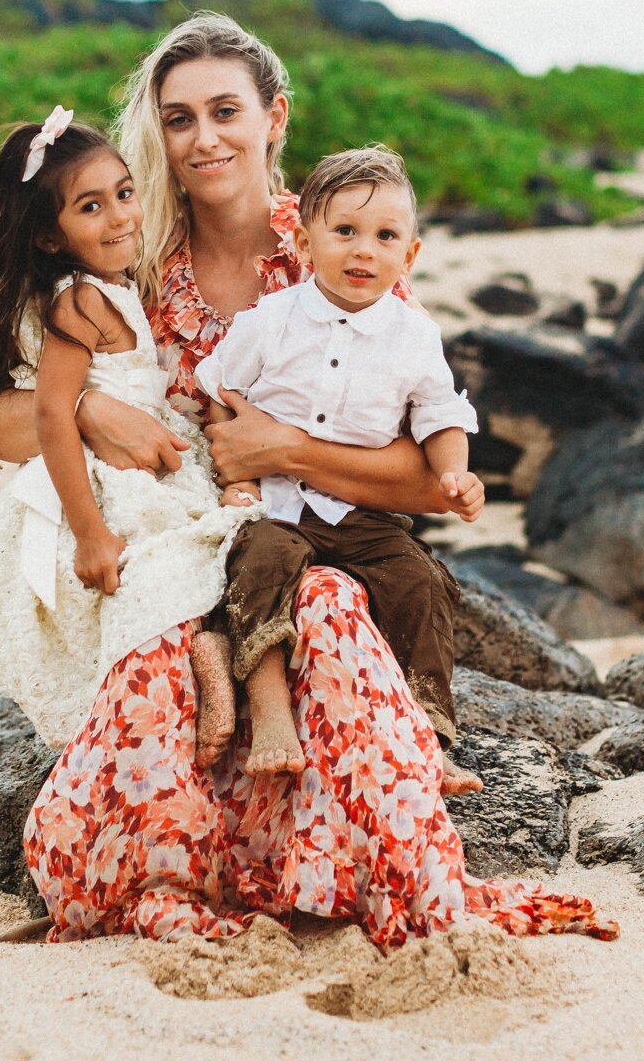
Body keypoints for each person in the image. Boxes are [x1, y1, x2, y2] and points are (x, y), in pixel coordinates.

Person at [0, 12, 616, 949]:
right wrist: (97, 413)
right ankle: (183, 879)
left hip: (317, 538)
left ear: (276, 118)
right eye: (178, 118)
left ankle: (364, 876)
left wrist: (282, 452)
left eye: (226, 110)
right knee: (161, 665)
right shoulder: (127, 246)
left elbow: (427, 478)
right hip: (178, 536)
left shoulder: (346, 243)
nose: (202, 138)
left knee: (331, 619)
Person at [0, 108, 246, 751]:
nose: (120, 217)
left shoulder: (93, 285)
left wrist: (21, 286)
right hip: (103, 479)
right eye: (90, 208)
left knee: (191, 554)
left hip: (140, 453)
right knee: (163, 563)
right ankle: (202, 667)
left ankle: (204, 659)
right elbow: (54, 412)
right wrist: (88, 534)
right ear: (50, 236)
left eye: (124, 192)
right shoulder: (81, 300)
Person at [194, 144, 482, 786]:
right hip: (273, 504)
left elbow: (440, 413)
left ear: (408, 255)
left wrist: (454, 474)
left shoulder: (413, 336)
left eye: (385, 237)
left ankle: (426, 733)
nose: (363, 251)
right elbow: (218, 393)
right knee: (261, 562)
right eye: (344, 231)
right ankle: (269, 710)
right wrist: (238, 480)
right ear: (304, 242)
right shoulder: (270, 321)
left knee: (419, 581)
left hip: (357, 511)